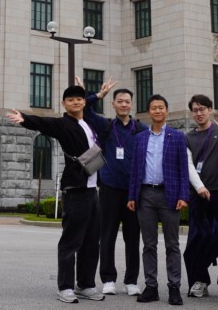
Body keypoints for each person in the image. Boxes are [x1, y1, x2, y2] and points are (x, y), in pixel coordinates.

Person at [7, 85, 105, 304]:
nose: (76, 102)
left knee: (91, 241)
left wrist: (96, 96)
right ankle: (66, 287)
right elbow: (44, 123)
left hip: (92, 189)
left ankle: (86, 284)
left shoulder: (89, 123)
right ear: (64, 104)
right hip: (75, 189)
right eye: (70, 99)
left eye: (79, 99)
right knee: (71, 240)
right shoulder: (63, 124)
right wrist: (24, 118)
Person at [81, 77, 147, 296]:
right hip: (109, 188)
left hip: (132, 190)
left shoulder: (140, 129)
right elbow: (86, 109)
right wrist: (98, 96)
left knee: (132, 236)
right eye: (120, 101)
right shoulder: (107, 125)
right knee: (107, 235)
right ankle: (108, 279)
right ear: (114, 104)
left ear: (131, 104)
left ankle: (131, 281)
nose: (124, 104)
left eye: (127, 101)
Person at [127, 94, 189, 306]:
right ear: (149, 112)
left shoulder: (178, 137)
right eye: (153, 108)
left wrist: (183, 195)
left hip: (169, 195)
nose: (157, 111)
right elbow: (135, 169)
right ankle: (151, 286)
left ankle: (174, 287)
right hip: (145, 195)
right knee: (149, 244)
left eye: (161, 107)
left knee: (172, 244)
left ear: (167, 111)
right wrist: (132, 196)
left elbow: (183, 169)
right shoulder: (141, 138)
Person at [183, 94, 218, 300]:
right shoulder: (188, 137)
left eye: (203, 108)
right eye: (195, 109)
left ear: (210, 110)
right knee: (197, 239)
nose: (199, 113)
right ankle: (200, 280)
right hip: (199, 195)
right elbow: (187, 165)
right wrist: (200, 187)